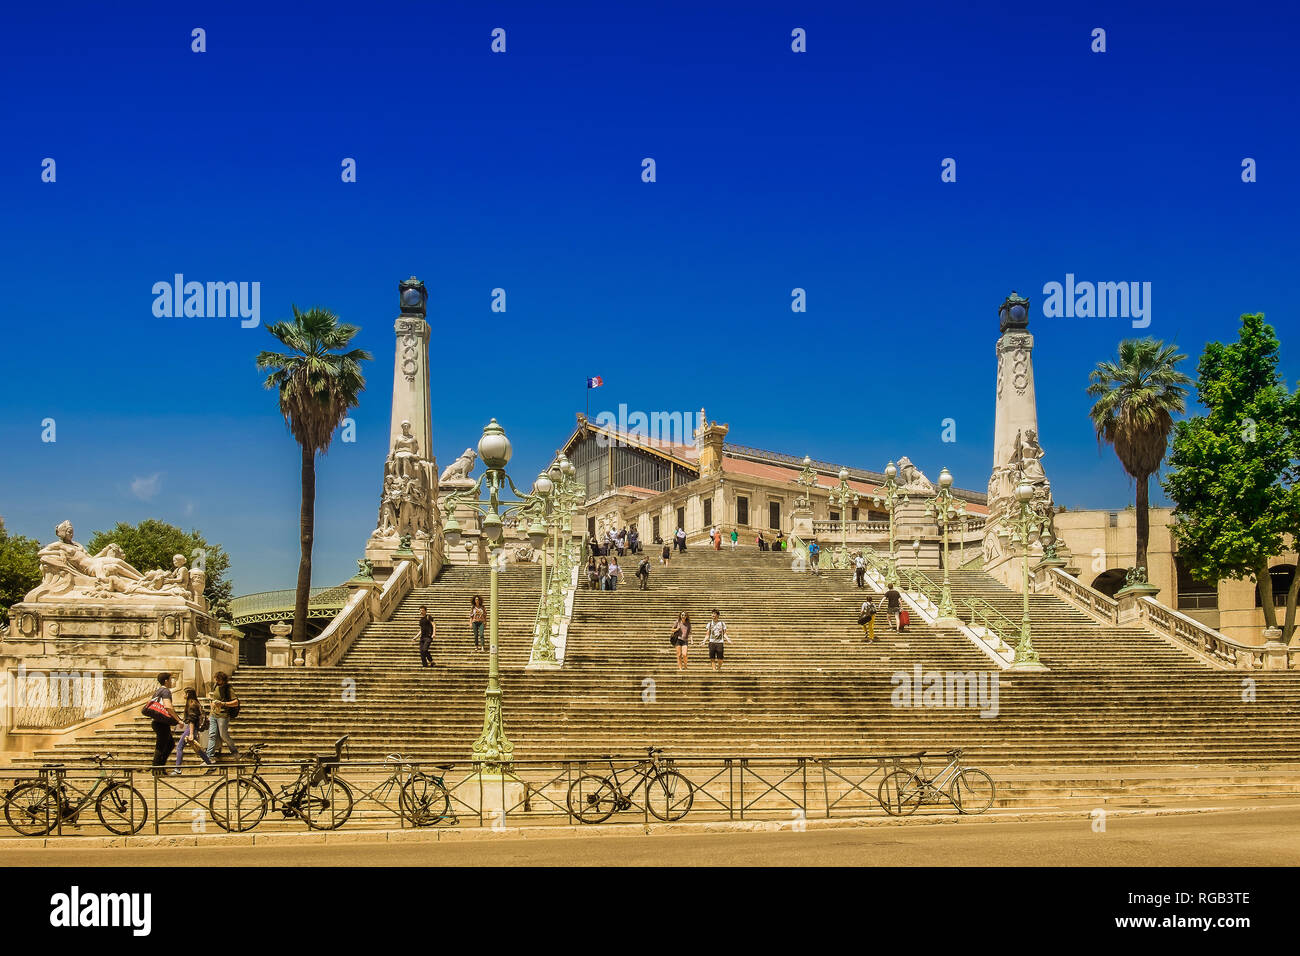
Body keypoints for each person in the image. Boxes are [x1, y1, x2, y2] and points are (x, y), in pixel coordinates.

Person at [172, 687, 213, 774]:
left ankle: (177, 769)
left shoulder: (191, 704)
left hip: (191, 729)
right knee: (198, 749)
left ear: (188, 694)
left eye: (184, 693)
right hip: (193, 729)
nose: (183, 695)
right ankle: (210, 765)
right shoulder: (195, 703)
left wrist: (191, 733)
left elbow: (192, 720)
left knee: (179, 747)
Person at [205, 671, 240, 763]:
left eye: (218, 679)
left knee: (223, 735)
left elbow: (236, 702)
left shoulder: (228, 688)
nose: (216, 680)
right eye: (216, 679)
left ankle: (234, 751)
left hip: (223, 715)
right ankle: (209, 757)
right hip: (214, 714)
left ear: (223, 680)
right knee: (212, 735)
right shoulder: (215, 686)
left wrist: (223, 703)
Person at [148, 673, 179, 773]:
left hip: (157, 722)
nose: (172, 681)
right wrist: (178, 720)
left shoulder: (158, 691)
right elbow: (168, 706)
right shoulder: (165, 691)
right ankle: (156, 770)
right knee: (161, 746)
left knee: (170, 744)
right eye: (170, 679)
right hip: (161, 723)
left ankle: (160, 767)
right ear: (166, 680)